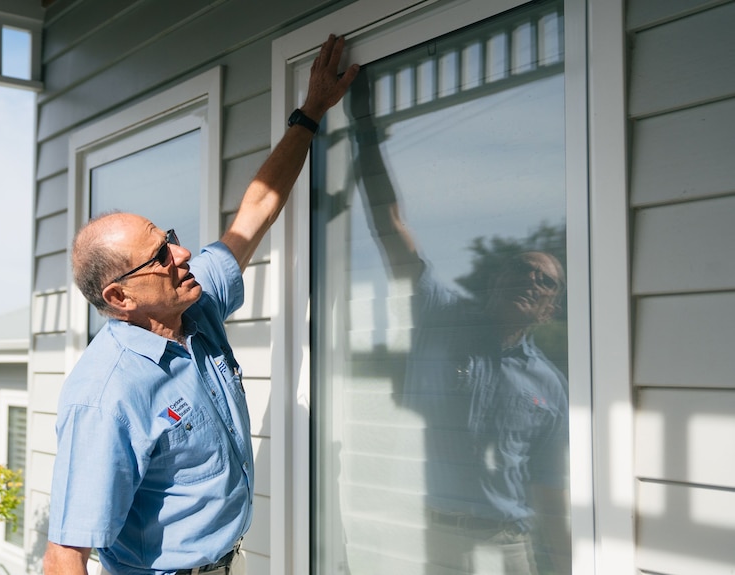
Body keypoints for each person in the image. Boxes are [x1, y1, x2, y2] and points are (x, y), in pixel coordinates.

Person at [43, 35, 358, 575]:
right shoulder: (106, 395)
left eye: (168, 238)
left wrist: (308, 115)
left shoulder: (193, 303)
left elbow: (253, 213)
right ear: (119, 298)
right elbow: (65, 556)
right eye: (159, 256)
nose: (182, 254)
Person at [348, 70, 570, 574]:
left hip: (512, 543)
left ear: (549, 309)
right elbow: (390, 224)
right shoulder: (441, 314)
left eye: (545, 283)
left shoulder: (549, 386)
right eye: (521, 271)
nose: (531, 283)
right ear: (494, 282)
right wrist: (363, 130)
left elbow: (550, 488)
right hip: (439, 537)